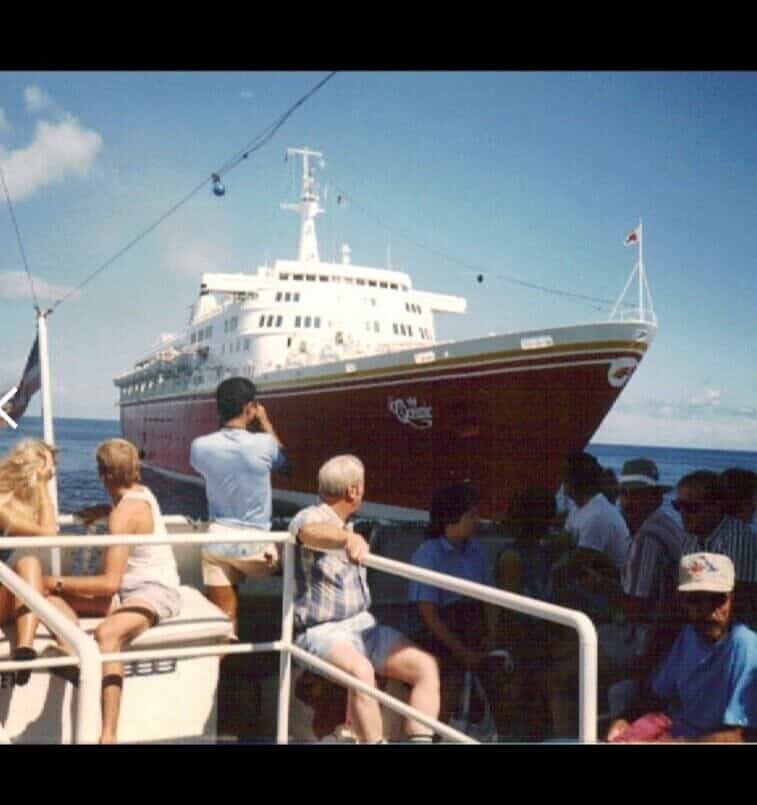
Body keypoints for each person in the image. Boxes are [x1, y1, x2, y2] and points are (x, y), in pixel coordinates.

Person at [290, 454, 440, 744]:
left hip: (363, 626)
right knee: (362, 671)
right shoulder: (313, 516)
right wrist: (348, 540)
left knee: (426, 667)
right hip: (323, 631)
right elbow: (307, 532)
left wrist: (350, 536)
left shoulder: (347, 524)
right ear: (354, 491)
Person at [43, 438, 180, 744]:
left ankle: (108, 735)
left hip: (155, 592)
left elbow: (108, 584)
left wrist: (57, 580)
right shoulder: (139, 495)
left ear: (102, 474)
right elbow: (126, 508)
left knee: (107, 634)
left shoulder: (123, 515)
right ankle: (70, 650)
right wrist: (102, 509)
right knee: (48, 601)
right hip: (129, 592)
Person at [607, 552, 757, 743]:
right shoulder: (687, 636)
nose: (708, 609)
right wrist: (625, 719)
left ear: (731, 598)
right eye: (696, 599)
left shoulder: (746, 647)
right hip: (679, 732)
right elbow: (656, 694)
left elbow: (742, 735)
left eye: (717, 599)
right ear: (682, 601)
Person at [190, 377, 288, 637]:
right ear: (250, 408)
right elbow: (285, 465)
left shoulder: (200, 447)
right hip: (257, 552)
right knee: (298, 557)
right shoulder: (265, 444)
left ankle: (217, 669)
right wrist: (265, 423)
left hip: (217, 545)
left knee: (224, 619)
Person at [408, 483, 502, 731]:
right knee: (451, 679)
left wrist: (491, 635)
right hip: (441, 634)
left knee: (506, 673)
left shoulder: (476, 551)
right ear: (452, 517)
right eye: (471, 515)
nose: (477, 520)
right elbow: (428, 615)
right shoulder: (428, 554)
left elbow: (489, 599)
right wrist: (461, 651)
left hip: (473, 628)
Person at [0, 440, 58, 685]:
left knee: (55, 600)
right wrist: (44, 487)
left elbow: (47, 531)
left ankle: (25, 651)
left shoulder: (17, 506)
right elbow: (49, 534)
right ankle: (25, 649)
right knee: (30, 564)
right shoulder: (2, 507)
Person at [674, 470, 757, 629]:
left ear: (717, 506)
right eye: (679, 506)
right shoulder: (692, 537)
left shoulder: (737, 538)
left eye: (692, 507)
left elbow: (738, 603)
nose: (683, 514)